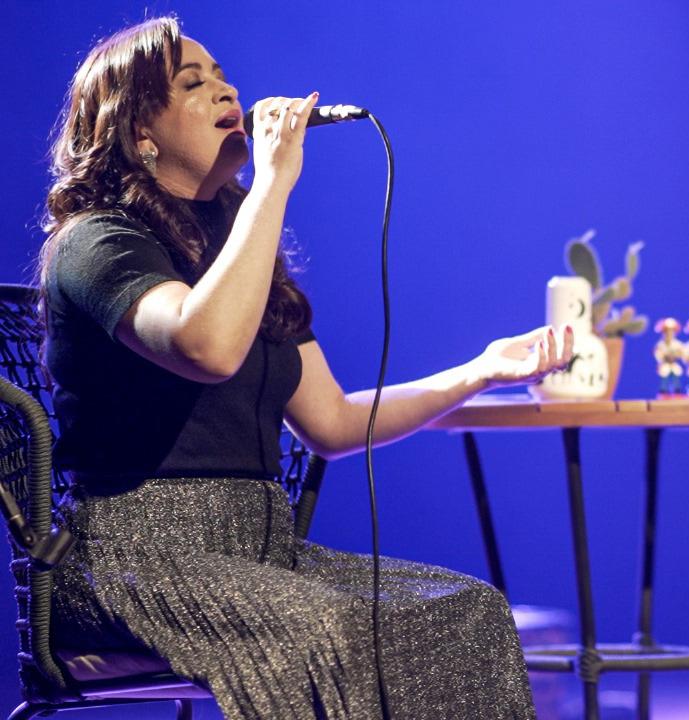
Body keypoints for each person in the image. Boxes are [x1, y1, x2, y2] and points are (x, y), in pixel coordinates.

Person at [39, 17, 570, 719]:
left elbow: (333, 422)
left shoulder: (239, 246)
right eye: (192, 84)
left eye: (222, 76)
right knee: (331, 629)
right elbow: (207, 347)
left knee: (467, 611)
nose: (226, 91)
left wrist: (479, 370)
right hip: (135, 558)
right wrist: (272, 186)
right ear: (141, 133)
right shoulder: (98, 241)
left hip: (261, 552)